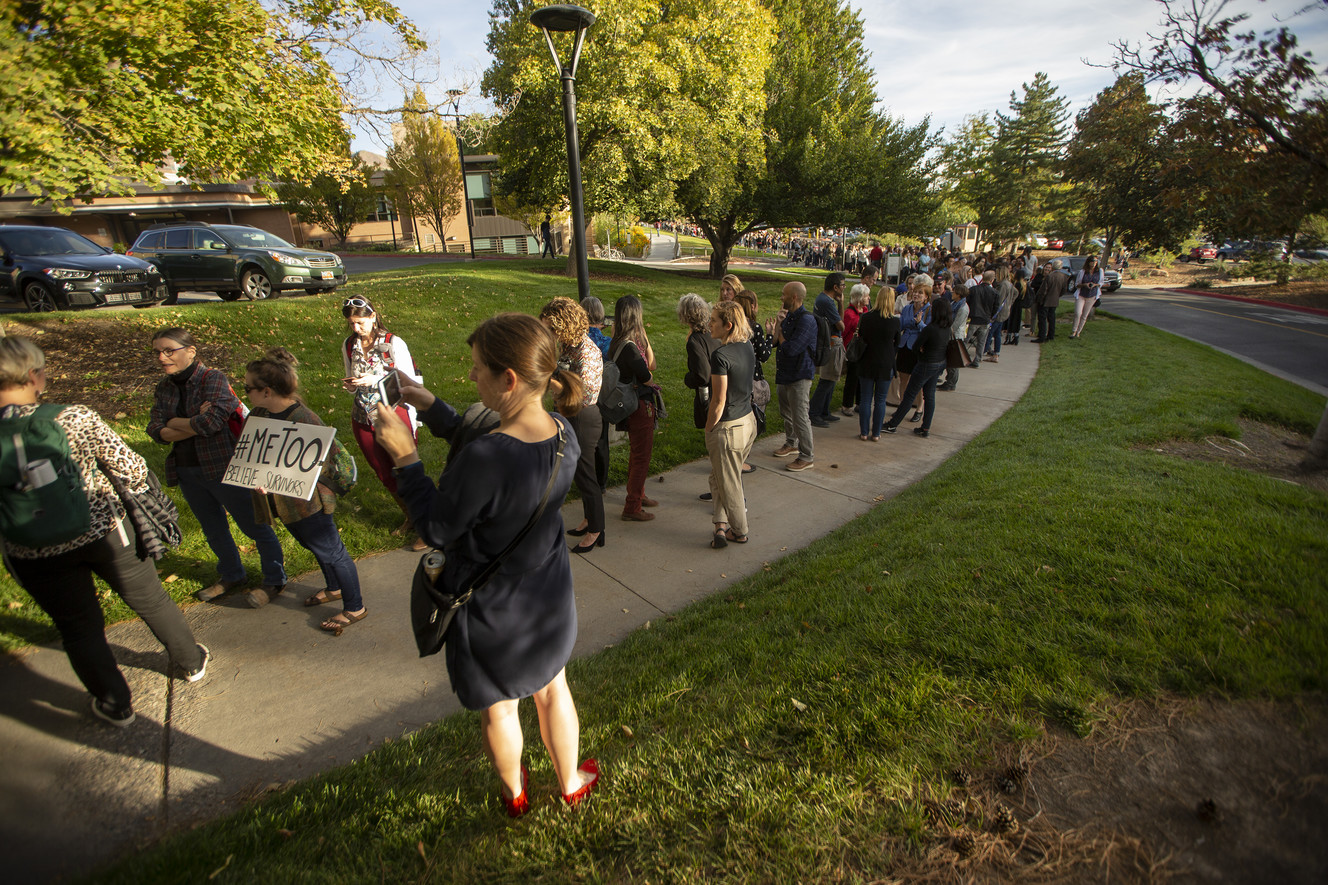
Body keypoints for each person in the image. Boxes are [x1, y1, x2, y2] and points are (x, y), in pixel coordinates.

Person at [373, 313, 598, 816]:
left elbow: (437, 527)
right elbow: (482, 442)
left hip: (491, 607)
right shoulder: (563, 430)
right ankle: (571, 780)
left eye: (478, 369)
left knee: (500, 709)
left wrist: (407, 458)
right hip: (547, 596)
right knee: (553, 688)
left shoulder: (489, 459)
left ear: (509, 379)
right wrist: (432, 408)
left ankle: (516, 795)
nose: (471, 375)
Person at [3, 337, 208, 727]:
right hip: (106, 532)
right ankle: (191, 661)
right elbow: (131, 468)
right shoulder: (73, 417)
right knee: (150, 599)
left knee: (77, 627)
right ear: (33, 376)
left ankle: (114, 703)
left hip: (32, 551)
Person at [147, 327, 286, 605]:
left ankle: (274, 579)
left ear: (190, 351)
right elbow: (154, 429)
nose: (162, 358)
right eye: (157, 352)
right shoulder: (164, 387)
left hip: (224, 466)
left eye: (168, 351)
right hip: (187, 470)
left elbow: (211, 423)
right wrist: (187, 423)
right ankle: (232, 574)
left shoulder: (213, 379)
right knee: (213, 528)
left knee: (254, 525)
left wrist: (174, 422)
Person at [242, 348, 365, 630]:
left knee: (332, 552)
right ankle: (333, 587)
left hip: (310, 504)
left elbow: (325, 463)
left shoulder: (304, 419)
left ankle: (355, 606)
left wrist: (272, 477)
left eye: (248, 387)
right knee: (313, 547)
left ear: (266, 391)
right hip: (282, 503)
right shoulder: (259, 414)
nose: (245, 391)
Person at [340, 297, 426, 551]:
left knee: (407, 471)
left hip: (393, 413)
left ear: (373, 316)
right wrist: (350, 385)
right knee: (384, 473)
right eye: (351, 323)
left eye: (360, 322)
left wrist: (374, 379)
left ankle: (425, 525)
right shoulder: (348, 345)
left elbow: (409, 380)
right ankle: (410, 517)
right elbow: (350, 374)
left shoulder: (392, 343)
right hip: (363, 416)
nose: (356, 328)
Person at [540, 297, 606, 554]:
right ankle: (590, 519)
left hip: (583, 418)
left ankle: (596, 529)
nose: (549, 334)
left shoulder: (586, 352)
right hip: (572, 417)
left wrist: (547, 377)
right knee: (580, 474)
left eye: (551, 328)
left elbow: (581, 397)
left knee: (586, 475)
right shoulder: (570, 347)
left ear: (564, 325)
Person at [704, 301, 757, 548]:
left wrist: (709, 427)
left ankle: (740, 530)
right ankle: (720, 525)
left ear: (728, 325)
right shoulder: (746, 345)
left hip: (729, 428)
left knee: (730, 481)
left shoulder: (720, 355)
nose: (709, 324)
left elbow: (718, 400)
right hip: (748, 422)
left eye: (714, 320)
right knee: (719, 477)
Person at [608, 295, 660, 521]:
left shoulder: (617, 342)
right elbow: (648, 374)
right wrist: (645, 341)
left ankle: (638, 494)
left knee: (636, 453)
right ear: (635, 317)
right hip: (640, 405)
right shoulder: (630, 348)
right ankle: (632, 507)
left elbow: (649, 366)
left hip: (630, 405)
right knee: (642, 456)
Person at [882, 297, 952, 438]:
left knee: (909, 395)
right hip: (939, 364)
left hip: (926, 364)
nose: (930, 308)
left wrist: (921, 348)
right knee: (930, 396)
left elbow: (915, 347)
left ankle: (893, 424)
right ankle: (925, 428)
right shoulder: (947, 329)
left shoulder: (930, 329)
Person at [768, 281, 817, 472]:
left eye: (784, 294)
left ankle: (807, 456)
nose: (781, 298)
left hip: (800, 375)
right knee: (786, 412)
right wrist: (779, 324)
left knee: (800, 416)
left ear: (794, 297)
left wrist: (780, 335)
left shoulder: (807, 321)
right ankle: (791, 443)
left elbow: (790, 349)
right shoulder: (788, 317)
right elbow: (774, 344)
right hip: (785, 373)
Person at [853, 287, 900, 440]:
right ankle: (877, 433)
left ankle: (864, 432)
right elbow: (897, 343)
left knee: (866, 399)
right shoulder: (894, 321)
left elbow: (861, 336)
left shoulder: (866, 317)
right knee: (880, 399)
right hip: (886, 362)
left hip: (867, 360)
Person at [734, 289, 772, 475]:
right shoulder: (754, 328)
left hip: (737, 379)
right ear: (753, 306)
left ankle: (734, 458)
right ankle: (741, 461)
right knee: (752, 422)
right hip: (754, 379)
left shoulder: (733, 325)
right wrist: (771, 336)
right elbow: (763, 355)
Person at [808, 272, 846, 427]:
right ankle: (814, 413)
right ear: (835, 287)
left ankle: (824, 411)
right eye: (843, 285)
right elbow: (841, 326)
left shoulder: (823, 299)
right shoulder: (827, 302)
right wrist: (841, 303)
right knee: (827, 380)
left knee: (831, 379)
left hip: (828, 341)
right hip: (831, 342)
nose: (844, 288)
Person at [894, 278, 933, 423]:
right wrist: (912, 323)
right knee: (903, 378)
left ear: (926, 297)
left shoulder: (929, 310)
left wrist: (920, 323)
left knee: (918, 380)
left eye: (920, 293)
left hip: (918, 347)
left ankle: (919, 408)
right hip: (905, 345)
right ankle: (902, 406)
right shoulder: (907, 308)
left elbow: (929, 330)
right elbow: (902, 325)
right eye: (915, 292)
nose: (916, 295)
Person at [840, 283, 871, 417]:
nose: (868, 298)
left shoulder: (865, 311)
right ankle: (847, 405)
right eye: (866, 296)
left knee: (861, 378)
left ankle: (859, 402)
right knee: (852, 379)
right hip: (852, 349)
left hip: (863, 349)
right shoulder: (849, 314)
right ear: (859, 298)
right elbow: (844, 332)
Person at [938, 283, 970, 392]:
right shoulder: (954, 303)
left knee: (954, 361)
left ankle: (951, 383)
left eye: (954, 292)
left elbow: (956, 325)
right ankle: (949, 380)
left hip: (955, 337)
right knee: (949, 361)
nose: (952, 293)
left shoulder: (963, 308)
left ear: (959, 294)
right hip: (950, 335)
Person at [965, 270, 998, 367]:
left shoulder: (973, 290)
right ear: (992, 280)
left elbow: (968, 303)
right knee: (981, 341)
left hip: (973, 318)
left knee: (965, 340)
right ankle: (977, 360)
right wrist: (991, 317)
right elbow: (996, 307)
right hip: (985, 319)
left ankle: (961, 357)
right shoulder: (994, 293)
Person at [985, 266, 1019, 362]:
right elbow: (1016, 293)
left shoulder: (1003, 285)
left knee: (990, 332)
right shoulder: (1009, 284)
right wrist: (1010, 303)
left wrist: (993, 311)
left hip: (999, 312)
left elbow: (998, 300)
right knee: (997, 333)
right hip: (1005, 311)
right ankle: (996, 353)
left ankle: (985, 350)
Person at [1033, 260, 1070, 342]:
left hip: (1046, 300)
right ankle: (1051, 335)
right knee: (1051, 318)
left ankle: (1042, 336)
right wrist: (1057, 295)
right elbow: (1064, 289)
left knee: (1042, 319)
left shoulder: (1050, 276)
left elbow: (1043, 290)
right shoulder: (1064, 276)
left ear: (1053, 267)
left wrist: (1040, 299)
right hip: (1055, 300)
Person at [1070, 256, 1104, 339]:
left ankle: (1078, 332)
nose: (1094, 263)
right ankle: (1074, 331)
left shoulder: (1100, 271)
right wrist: (1085, 285)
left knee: (1084, 315)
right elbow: (1077, 284)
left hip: (1092, 295)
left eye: (1095, 262)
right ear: (1088, 262)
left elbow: (1101, 282)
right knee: (1078, 313)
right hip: (1081, 294)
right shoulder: (1083, 272)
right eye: (1092, 261)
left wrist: (1095, 285)